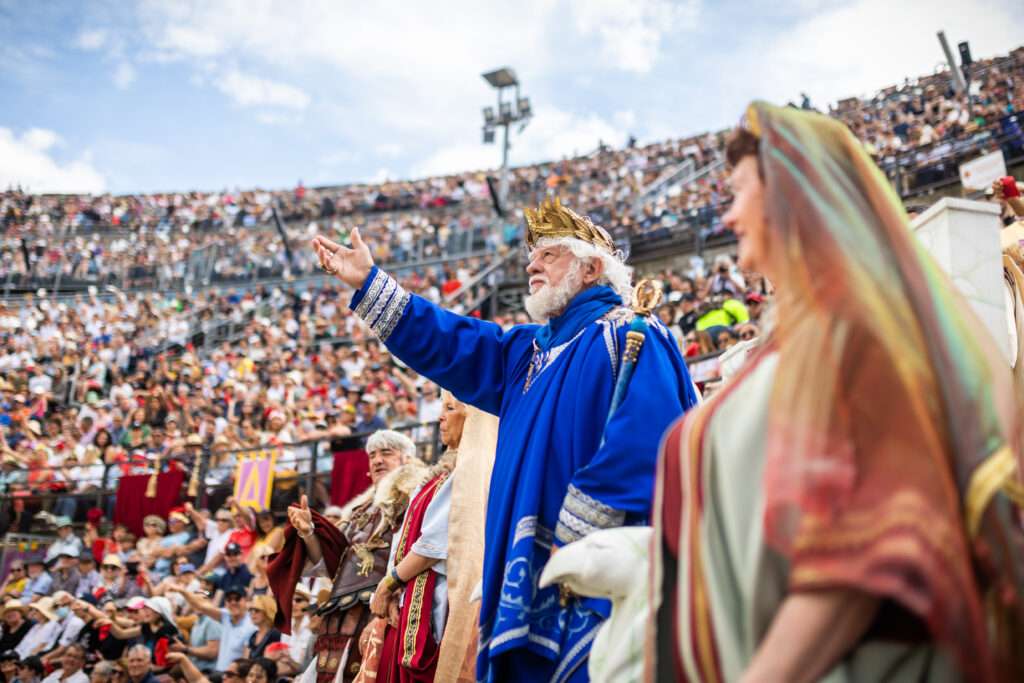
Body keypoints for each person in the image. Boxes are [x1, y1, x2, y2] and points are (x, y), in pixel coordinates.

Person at [649, 102, 1024, 682]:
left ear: (790, 192)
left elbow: (864, 556)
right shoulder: (804, 339)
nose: (726, 218)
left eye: (737, 192)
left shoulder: (856, 335)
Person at [313, 196, 699, 681]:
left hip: (593, 577)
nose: (531, 264)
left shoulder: (631, 335)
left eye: (549, 255)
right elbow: (449, 341)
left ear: (591, 268)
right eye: (532, 255)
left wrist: (573, 543)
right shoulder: (526, 350)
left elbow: (654, 444)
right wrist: (371, 285)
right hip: (524, 582)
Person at [267, 430, 428, 683]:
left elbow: (424, 549)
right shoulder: (358, 511)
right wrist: (309, 532)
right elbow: (333, 561)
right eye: (372, 455)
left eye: (386, 453)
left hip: (382, 607)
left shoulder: (417, 498)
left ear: (407, 459)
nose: (376, 460)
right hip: (341, 610)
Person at [168, 587, 256, 673]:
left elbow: (213, 652)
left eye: (237, 599)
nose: (233, 602)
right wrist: (182, 591)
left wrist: (185, 649)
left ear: (245, 600)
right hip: (220, 673)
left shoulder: (252, 623)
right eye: (229, 599)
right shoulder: (226, 615)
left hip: (233, 675)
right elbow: (200, 606)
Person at [242, 595, 279, 660]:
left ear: (268, 611)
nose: (252, 613)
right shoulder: (253, 635)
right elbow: (247, 660)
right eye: (251, 610)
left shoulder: (275, 634)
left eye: (257, 610)